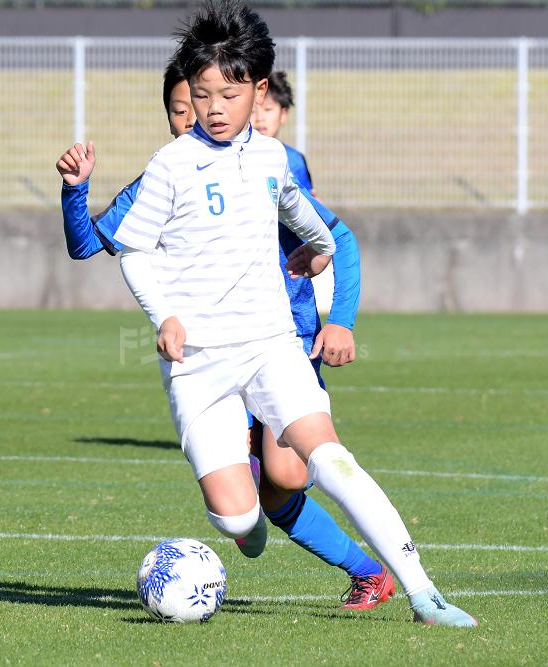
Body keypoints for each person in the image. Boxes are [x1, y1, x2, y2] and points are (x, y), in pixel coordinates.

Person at [113, 0, 478, 627]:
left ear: (259, 92)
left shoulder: (271, 158)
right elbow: (133, 250)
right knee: (236, 517)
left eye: (228, 95)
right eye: (201, 95)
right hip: (198, 361)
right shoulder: (168, 165)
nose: (213, 108)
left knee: (330, 458)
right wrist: (164, 315)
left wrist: (320, 247)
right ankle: (248, 524)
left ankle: (425, 594)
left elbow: (307, 219)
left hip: (271, 344)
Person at [56, 61, 393, 611]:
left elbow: (337, 238)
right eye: (182, 108)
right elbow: (88, 245)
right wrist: (75, 190)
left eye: (212, 100)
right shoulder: (163, 177)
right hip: (210, 351)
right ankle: (353, 565)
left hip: (283, 339)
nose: (198, 116)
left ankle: (365, 565)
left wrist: (341, 319)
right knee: (247, 499)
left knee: (286, 477)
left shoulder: (270, 162)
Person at [251, 70, 315, 196]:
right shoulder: (233, 158)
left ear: (284, 114)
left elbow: (308, 202)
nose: (260, 118)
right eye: (252, 111)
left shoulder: (294, 161)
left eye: (268, 109)